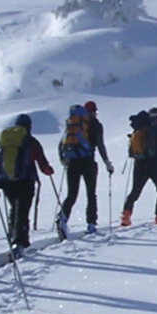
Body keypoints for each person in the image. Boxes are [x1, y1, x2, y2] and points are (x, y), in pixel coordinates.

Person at [0, 112, 54, 253]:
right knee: (22, 211)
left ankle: (12, 238)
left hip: (8, 182)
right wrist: (49, 170)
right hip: (26, 181)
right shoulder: (31, 142)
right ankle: (20, 242)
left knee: (14, 209)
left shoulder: (6, 140)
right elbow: (42, 162)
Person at [57, 100, 114, 236]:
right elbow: (100, 145)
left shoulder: (72, 123)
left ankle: (62, 219)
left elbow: (62, 143)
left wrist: (64, 160)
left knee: (72, 194)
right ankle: (91, 224)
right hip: (88, 161)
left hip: (72, 162)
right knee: (91, 193)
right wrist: (107, 163)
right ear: (94, 112)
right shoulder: (96, 125)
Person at [119, 106, 157, 226]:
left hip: (139, 163)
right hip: (155, 163)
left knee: (135, 191)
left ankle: (126, 215)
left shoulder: (140, 128)